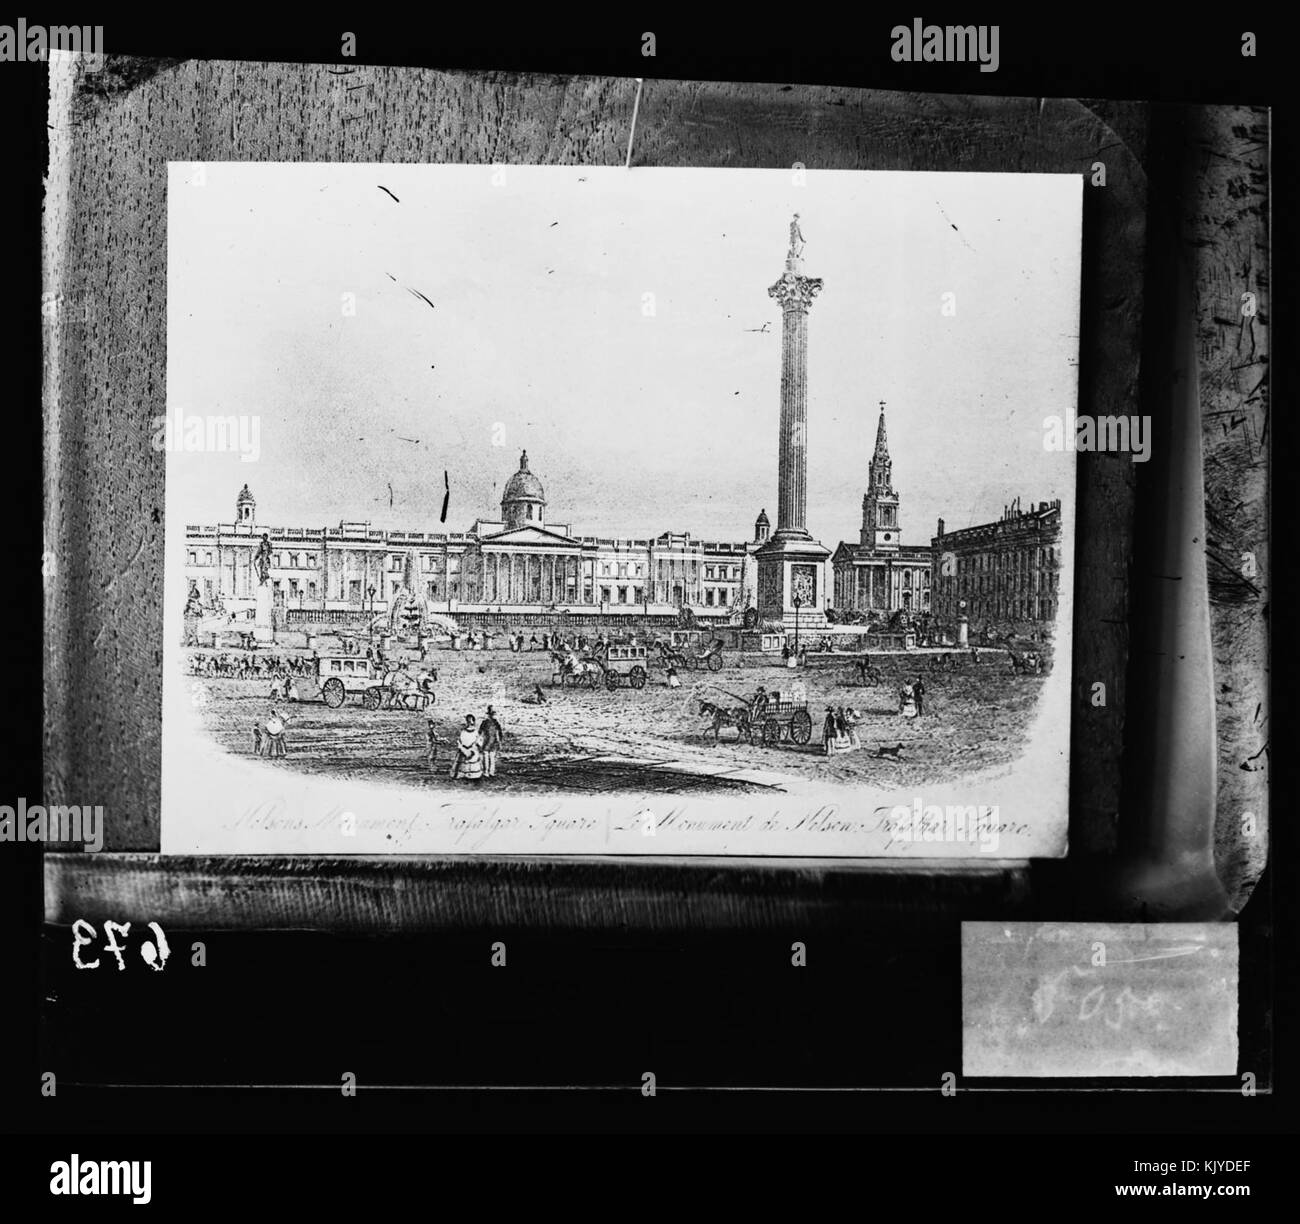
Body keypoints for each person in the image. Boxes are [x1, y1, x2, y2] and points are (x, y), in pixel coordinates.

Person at [451, 714, 483, 781]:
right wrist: (463, 748)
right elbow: (461, 740)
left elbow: (479, 741)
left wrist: (474, 746)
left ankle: (473, 775)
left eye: (471, 721)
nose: (470, 723)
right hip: (464, 750)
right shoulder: (463, 731)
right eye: (468, 721)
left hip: (473, 750)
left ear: (473, 722)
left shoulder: (476, 731)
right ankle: (462, 774)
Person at [480, 706, 503, 778]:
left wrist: (499, 742)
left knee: (490, 757)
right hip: (488, 741)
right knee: (488, 757)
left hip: (490, 741)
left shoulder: (493, 722)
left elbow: (499, 733)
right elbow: (480, 733)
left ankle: (489, 772)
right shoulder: (490, 722)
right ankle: (488, 772)